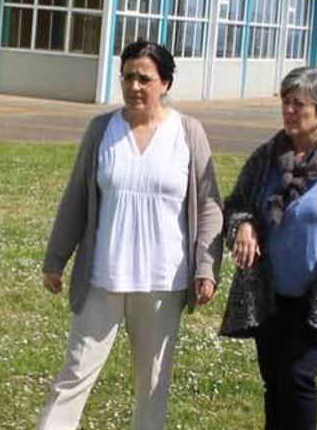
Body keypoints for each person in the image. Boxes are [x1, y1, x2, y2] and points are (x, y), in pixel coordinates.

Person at [38, 41, 223, 430]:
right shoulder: (102, 130)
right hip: (103, 277)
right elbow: (76, 198)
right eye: (127, 77)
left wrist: (206, 267)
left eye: (145, 78)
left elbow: (209, 205)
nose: (135, 86)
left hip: (162, 282)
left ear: (165, 83)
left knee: (152, 385)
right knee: (73, 376)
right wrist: (56, 260)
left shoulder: (188, 132)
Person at [219, 66, 317, 430]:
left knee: (297, 377)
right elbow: (236, 204)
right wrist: (243, 225)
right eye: (285, 102)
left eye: (298, 104)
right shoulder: (266, 158)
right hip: (270, 295)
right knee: (274, 380)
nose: (289, 111)